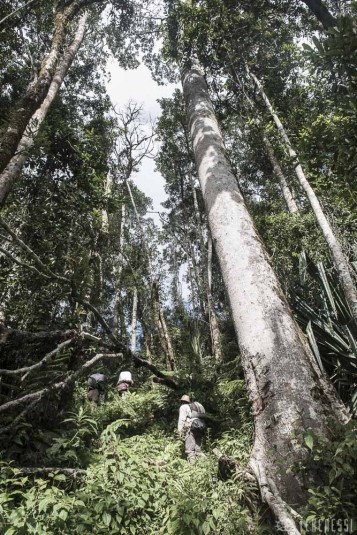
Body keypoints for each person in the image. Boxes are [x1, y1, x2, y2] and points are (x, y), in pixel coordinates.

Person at [178, 394, 206, 463]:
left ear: (182, 401)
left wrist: (180, 431)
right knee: (198, 450)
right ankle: (205, 463)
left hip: (190, 428)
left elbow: (182, 419)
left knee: (190, 450)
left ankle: (192, 468)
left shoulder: (183, 407)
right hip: (200, 427)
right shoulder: (193, 408)